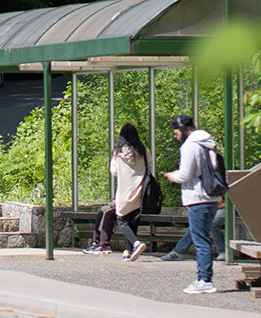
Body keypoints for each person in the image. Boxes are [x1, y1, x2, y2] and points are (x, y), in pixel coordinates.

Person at [164, 114, 220, 294]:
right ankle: (204, 278)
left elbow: (186, 174)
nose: (176, 136)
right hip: (210, 196)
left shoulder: (190, 146)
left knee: (200, 240)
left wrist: (173, 176)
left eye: (176, 133)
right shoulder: (208, 143)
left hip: (197, 197)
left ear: (182, 129)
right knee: (202, 237)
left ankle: (204, 280)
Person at [83, 123, 151, 261]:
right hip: (139, 191)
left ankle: (136, 243)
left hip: (124, 192)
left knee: (122, 221)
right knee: (133, 221)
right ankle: (127, 252)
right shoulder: (144, 151)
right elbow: (149, 167)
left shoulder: (118, 153)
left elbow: (113, 171)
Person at [159, 198, 225, 261]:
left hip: (229, 208)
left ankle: (223, 251)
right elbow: (218, 198)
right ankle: (178, 252)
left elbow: (229, 203)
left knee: (213, 224)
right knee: (195, 224)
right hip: (213, 207)